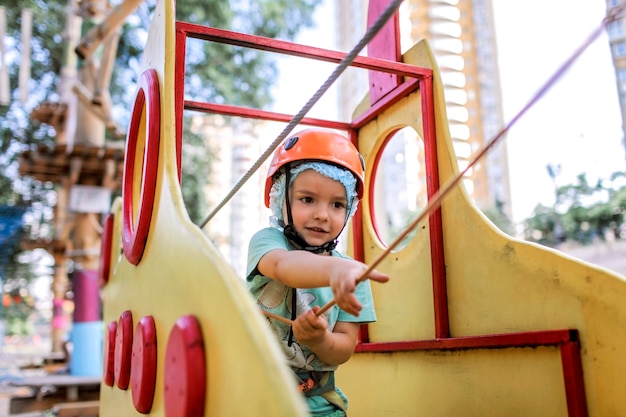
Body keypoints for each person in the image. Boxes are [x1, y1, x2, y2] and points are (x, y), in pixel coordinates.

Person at [246, 128, 390, 416]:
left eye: (337, 204)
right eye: (307, 199)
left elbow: (345, 347)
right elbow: (285, 267)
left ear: (349, 210)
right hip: (253, 395)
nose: (322, 214)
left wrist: (320, 340)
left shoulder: (351, 275)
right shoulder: (268, 242)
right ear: (280, 199)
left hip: (319, 403)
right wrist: (337, 270)